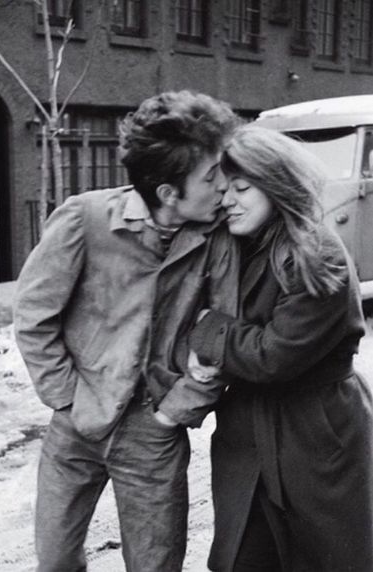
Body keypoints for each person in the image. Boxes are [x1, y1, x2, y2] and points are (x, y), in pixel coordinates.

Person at [13, 90, 240, 572]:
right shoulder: (85, 219)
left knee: (156, 565)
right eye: (210, 175)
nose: (224, 186)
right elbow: (34, 314)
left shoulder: (218, 240)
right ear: (167, 192)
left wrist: (173, 413)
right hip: (76, 424)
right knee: (54, 561)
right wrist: (66, 399)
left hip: (152, 434)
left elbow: (225, 334)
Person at [189, 124, 373, 572]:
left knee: (328, 556)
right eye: (223, 189)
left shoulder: (316, 253)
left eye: (242, 187)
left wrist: (210, 330)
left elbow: (274, 355)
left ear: (277, 183)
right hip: (249, 430)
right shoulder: (237, 246)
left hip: (315, 429)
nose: (227, 200)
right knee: (244, 557)